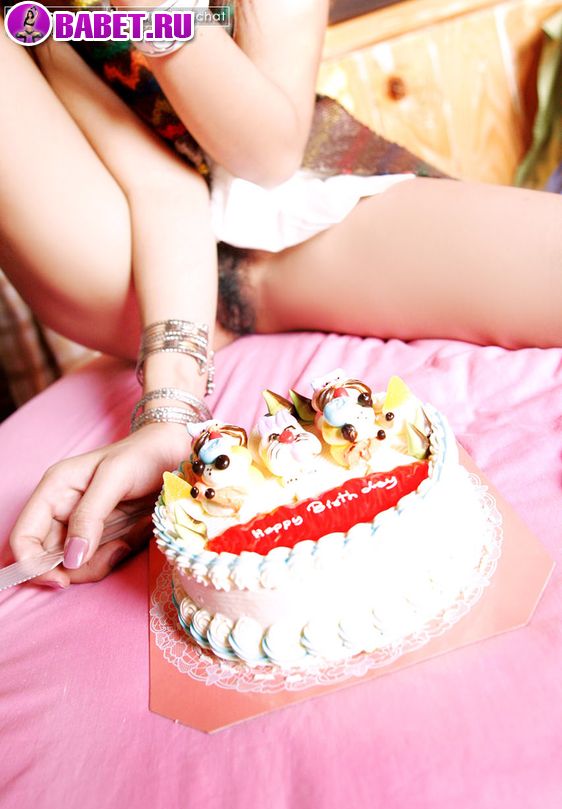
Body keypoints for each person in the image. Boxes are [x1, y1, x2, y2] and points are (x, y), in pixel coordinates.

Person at [0, 0, 560, 587]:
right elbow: (162, 186)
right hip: (132, 265)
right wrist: (169, 412)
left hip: (307, 209)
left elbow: (267, 157)